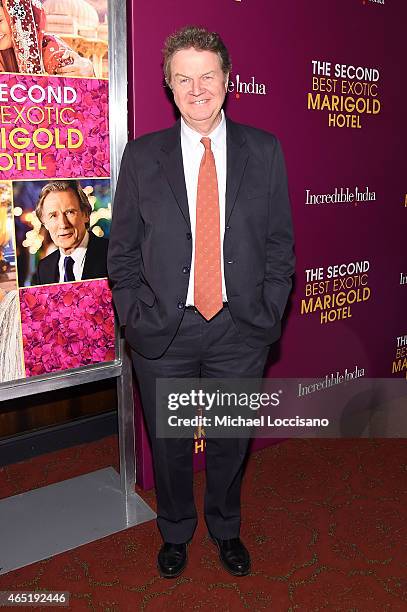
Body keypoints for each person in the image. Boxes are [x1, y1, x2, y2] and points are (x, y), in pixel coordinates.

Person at [108, 26, 295, 579]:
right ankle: (175, 530)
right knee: (167, 446)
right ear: (168, 86)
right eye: (183, 78)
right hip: (165, 331)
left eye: (207, 76)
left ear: (228, 81)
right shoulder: (142, 157)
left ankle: (225, 527)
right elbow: (120, 254)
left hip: (240, 329)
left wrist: (269, 308)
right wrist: (135, 315)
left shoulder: (264, 150)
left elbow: (280, 244)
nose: (196, 89)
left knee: (229, 441)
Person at [33, 180, 108, 285]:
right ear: (45, 223)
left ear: (86, 214)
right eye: (53, 215)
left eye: (70, 212)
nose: (63, 224)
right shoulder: (44, 267)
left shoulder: (112, 254)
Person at [0, 0, 93, 76]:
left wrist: (86, 75)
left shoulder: (48, 47)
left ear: (20, 20)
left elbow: (77, 77)